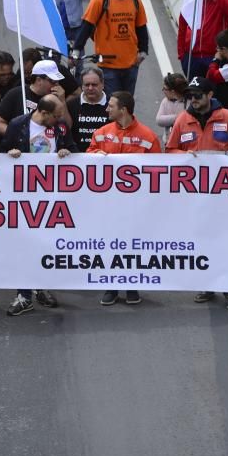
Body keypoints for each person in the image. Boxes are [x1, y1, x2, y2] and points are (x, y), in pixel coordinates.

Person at [166, 77, 228, 311]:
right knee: (201, 239)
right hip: (195, 196)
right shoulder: (183, 120)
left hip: (225, 195)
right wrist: (185, 157)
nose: (193, 100)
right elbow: (170, 150)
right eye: (190, 96)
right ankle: (207, 283)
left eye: (198, 95)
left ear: (209, 95)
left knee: (227, 241)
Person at [85, 90, 159, 306]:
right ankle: (112, 287)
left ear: (123, 110)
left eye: (111, 105)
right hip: (107, 203)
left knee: (134, 244)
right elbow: (88, 154)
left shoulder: (148, 137)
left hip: (136, 204)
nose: (106, 108)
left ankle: (132, 286)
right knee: (109, 244)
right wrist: (94, 155)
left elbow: (158, 171)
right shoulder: (101, 132)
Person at [1, 94, 73, 316]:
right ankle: (23, 295)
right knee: (24, 245)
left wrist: (67, 151)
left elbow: (73, 148)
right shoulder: (18, 125)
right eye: (56, 116)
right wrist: (9, 153)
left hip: (51, 196)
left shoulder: (59, 128)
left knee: (43, 244)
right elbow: (2, 151)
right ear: (44, 113)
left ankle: (38, 287)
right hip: (24, 196)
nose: (60, 120)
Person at [71, 0, 148, 97]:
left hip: (131, 64)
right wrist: (76, 50)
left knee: (127, 104)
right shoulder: (99, 0)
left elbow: (141, 28)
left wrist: (143, 51)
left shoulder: (136, 1)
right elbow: (86, 26)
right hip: (108, 66)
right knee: (113, 104)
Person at [0, 59, 69, 136]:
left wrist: (62, 101)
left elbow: (67, 127)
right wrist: (19, 136)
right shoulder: (16, 94)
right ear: (39, 80)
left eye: (57, 82)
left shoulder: (55, 99)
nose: (56, 85)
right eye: (52, 81)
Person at [66, 67, 110, 152]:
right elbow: (66, 131)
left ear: (102, 84)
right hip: (77, 155)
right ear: (82, 86)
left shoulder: (112, 104)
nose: (90, 88)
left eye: (94, 85)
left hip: (105, 156)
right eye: (87, 85)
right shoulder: (71, 105)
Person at [156, 72, 188, 143]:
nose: (163, 91)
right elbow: (159, 120)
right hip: (168, 141)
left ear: (173, 92)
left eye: (165, 89)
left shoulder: (188, 102)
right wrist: (178, 117)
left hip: (184, 141)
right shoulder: (165, 101)